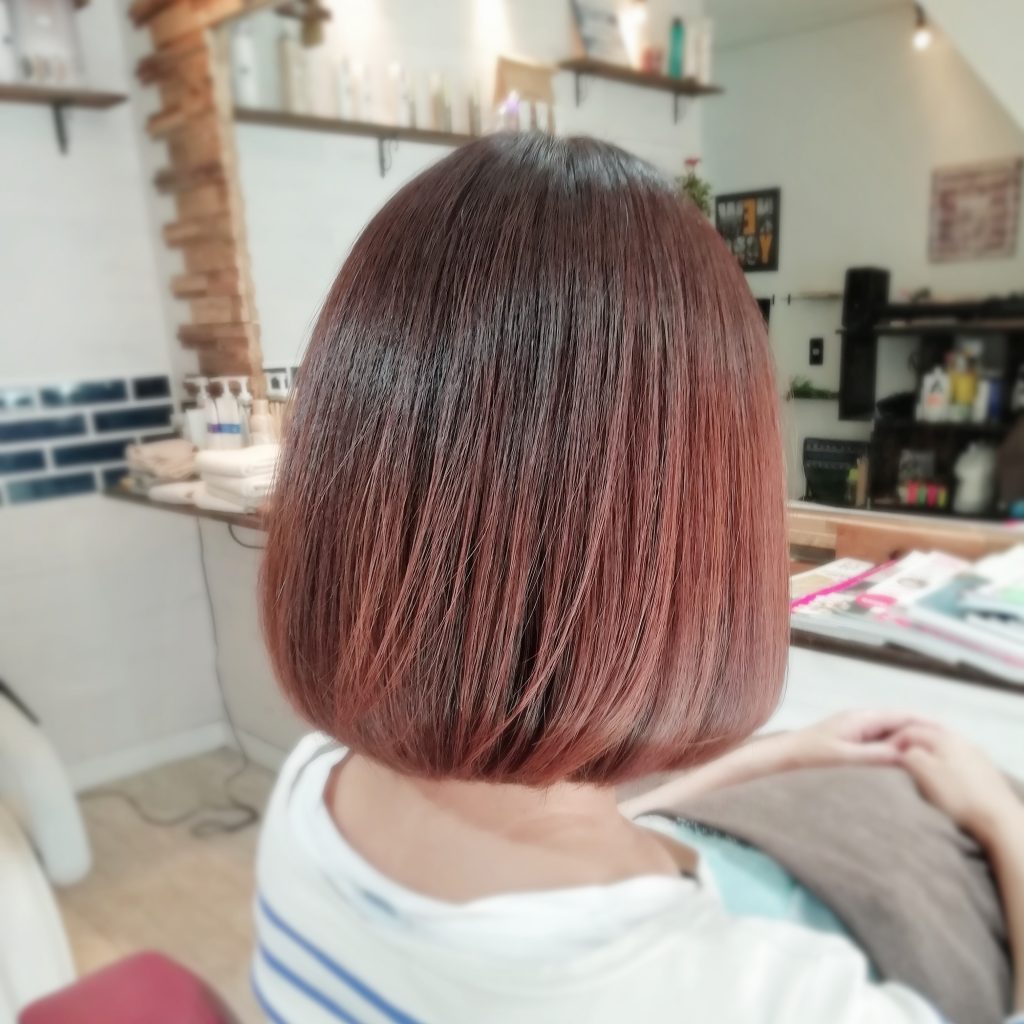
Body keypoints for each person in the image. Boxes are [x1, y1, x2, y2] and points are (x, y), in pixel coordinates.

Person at [255, 133, 1024, 1023]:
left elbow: (546, 816)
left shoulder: (309, 794)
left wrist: (784, 754)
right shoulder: (756, 997)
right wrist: (999, 820)